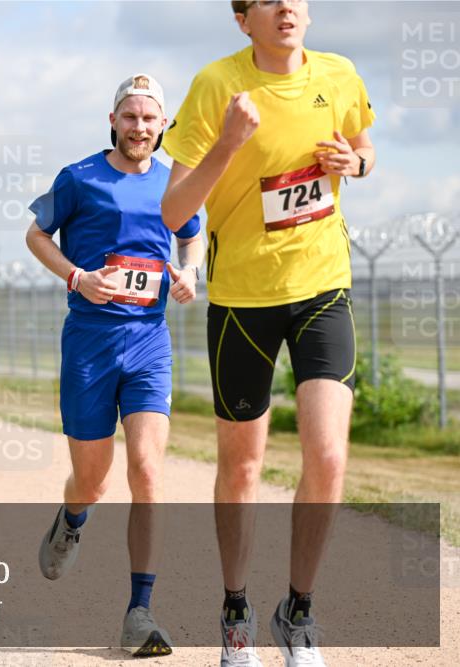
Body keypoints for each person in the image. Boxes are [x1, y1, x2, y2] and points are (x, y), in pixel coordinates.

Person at [160, 2, 376, 665]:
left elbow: (367, 149)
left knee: (329, 455)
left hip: (322, 287)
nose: (286, 8)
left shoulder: (339, 75)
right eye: (267, 0)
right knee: (242, 467)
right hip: (242, 301)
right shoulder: (215, 86)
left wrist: (355, 163)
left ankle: (299, 610)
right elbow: (173, 210)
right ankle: (235, 609)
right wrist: (227, 141)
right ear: (243, 19)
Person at [26, 73, 204, 657]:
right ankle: (73, 516)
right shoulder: (79, 177)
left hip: (150, 341)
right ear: (113, 121)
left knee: (149, 472)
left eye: (150, 118)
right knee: (95, 480)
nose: (140, 127)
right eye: (130, 117)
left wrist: (188, 271)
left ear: (163, 124)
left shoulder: (175, 180)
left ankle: (140, 612)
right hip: (90, 341)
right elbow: (36, 235)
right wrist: (77, 276)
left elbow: (192, 235)